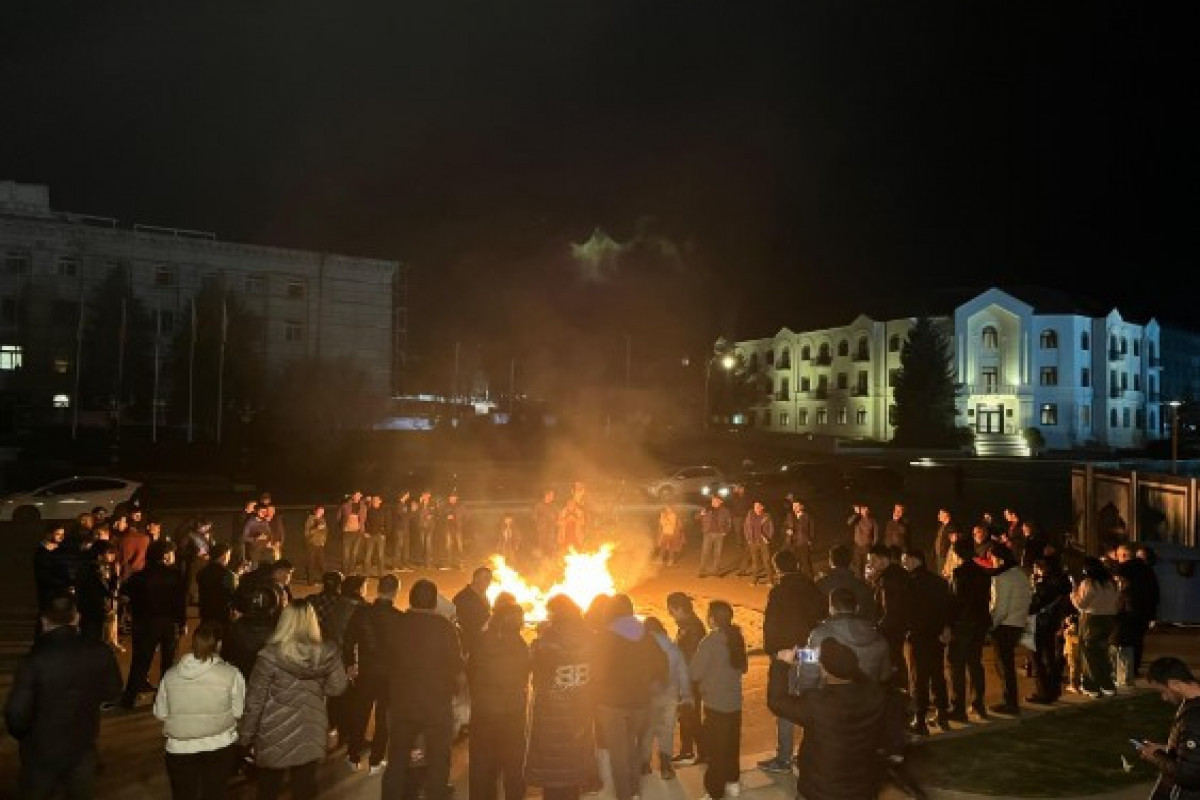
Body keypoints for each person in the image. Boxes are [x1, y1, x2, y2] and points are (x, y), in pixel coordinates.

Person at [4, 596, 123, 799]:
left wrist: (24, 735)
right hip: (82, 742)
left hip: (41, 748)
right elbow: (113, 691)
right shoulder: (99, 651)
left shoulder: (33, 661)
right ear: (76, 618)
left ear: (44, 621)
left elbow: (16, 713)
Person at [240, 600, 349, 800]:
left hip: (274, 730)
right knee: (305, 786)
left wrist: (246, 736)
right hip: (311, 726)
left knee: (268, 787)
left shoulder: (268, 656)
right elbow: (338, 687)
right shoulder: (327, 652)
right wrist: (316, 687)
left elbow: (255, 700)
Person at [767, 638, 888, 800]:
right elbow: (863, 680)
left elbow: (777, 702)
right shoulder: (876, 696)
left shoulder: (816, 703)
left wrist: (781, 664)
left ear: (824, 670)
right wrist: (846, 666)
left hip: (820, 790)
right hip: (863, 788)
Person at [382, 579, 464, 800]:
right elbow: (456, 666)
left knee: (397, 760)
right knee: (438, 761)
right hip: (437, 705)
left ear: (410, 599)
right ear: (434, 603)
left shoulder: (396, 624)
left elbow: (386, 661)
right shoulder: (445, 628)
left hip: (403, 703)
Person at [153, 621, 246, 800]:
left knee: (183, 795)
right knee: (215, 793)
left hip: (179, 748)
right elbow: (238, 711)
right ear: (218, 645)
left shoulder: (170, 675)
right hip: (219, 745)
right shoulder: (231, 674)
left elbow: (160, 713)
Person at [592, 593, 667, 800]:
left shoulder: (605, 636)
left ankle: (625, 796)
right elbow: (661, 665)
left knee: (618, 753)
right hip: (640, 702)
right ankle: (634, 792)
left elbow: (597, 672)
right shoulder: (644, 635)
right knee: (632, 747)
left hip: (612, 704)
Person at [525, 595, 599, 800]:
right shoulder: (592, 639)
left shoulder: (544, 643)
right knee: (575, 766)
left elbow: (530, 669)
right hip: (580, 711)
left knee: (553, 773)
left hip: (551, 714)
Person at [758, 549, 824, 773]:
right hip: (810, 654)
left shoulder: (779, 591)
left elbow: (771, 624)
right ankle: (809, 753)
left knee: (785, 704)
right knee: (811, 700)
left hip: (787, 655)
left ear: (777, 568)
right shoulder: (811, 587)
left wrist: (773, 652)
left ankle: (784, 758)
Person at [467, 601, 531, 800]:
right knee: (513, 765)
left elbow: (471, 671)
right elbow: (524, 675)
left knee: (482, 764)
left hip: (484, 711)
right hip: (513, 713)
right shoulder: (520, 645)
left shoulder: (481, 640)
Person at [343, 573, 404, 774]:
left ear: (379, 589)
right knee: (383, 717)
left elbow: (348, 639)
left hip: (367, 671)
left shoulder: (362, 613)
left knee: (359, 714)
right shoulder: (399, 618)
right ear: (396, 591)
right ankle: (376, 761)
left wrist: (350, 664)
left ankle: (353, 757)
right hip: (390, 674)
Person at [689, 600, 747, 800]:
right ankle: (733, 783)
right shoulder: (736, 637)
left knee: (716, 750)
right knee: (732, 746)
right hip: (734, 703)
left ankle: (715, 791)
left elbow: (695, 673)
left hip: (716, 705)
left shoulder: (709, 642)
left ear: (712, 619)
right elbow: (741, 667)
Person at [122, 539, 188, 708]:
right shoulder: (175, 576)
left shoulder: (139, 576)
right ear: (165, 556)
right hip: (168, 622)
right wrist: (182, 622)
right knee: (168, 662)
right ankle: (164, 697)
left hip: (144, 622)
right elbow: (180, 602)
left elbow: (125, 593)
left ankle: (130, 697)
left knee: (140, 661)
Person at [902, 548, 951, 734]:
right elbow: (947, 607)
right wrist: (946, 626)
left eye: (906, 560)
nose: (904, 564)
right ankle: (942, 713)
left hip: (918, 636)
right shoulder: (939, 582)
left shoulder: (910, 583)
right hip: (936, 635)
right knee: (937, 675)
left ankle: (920, 719)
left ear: (917, 561)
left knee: (918, 678)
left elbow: (908, 610)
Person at [1138, 657, 1200, 799]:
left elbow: (1188, 775)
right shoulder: (1192, 706)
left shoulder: (1195, 718)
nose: (1164, 698)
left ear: (1174, 684)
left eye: (1163, 691)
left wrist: (1155, 756)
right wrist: (1168, 749)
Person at [946, 536, 991, 722]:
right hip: (979, 622)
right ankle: (978, 703)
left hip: (963, 624)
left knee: (956, 665)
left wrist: (950, 623)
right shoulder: (983, 572)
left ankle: (958, 707)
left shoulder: (959, 573)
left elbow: (956, 601)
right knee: (975, 663)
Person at [807, 587, 891, 683]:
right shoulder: (879, 638)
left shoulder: (818, 635)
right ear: (857, 608)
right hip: (869, 695)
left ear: (831, 609)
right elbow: (885, 676)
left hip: (833, 695)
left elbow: (808, 670)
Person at [641, 616, 689, 780]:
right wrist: (686, 696)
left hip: (649, 694)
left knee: (647, 730)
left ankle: (644, 765)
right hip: (671, 693)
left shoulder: (643, 646)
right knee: (667, 730)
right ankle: (666, 766)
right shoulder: (673, 647)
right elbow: (683, 673)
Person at [989, 543, 1032, 715]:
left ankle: (1010, 703)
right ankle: (1011, 701)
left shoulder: (1002, 578)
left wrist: (991, 625)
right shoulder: (1021, 575)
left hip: (1004, 625)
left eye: (992, 558)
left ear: (998, 559)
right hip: (1018, 623)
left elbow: (1000, 608)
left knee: (1003, 665)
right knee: (1008, 665)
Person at [666, 592, 706, 767]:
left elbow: (689, 659)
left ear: (680, 609)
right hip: (686, 680)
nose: (670, 615)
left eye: (672, 611)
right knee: (686, 716)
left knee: (692, 717)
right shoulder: (686, 625)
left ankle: (703, 752)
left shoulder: (694, 628)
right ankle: (687, 751)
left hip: (690, 681)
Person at [1071, 556, 1121, 698]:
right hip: (1110, 619)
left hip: (1092, 620)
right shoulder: (1111, 583)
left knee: (1089, 653)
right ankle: (1107, 684)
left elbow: (1081, 604)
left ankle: (1091, 685)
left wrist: (1073, 594)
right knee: (1102, 653)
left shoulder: (1089, 583)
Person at [866, 544, 912, 691]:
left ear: (883, 559)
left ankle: (897, 697)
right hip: (901, 626)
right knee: (898, 660)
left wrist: (878, 629)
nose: (870, 564)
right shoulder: (900, 573)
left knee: (893, 662)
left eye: (872, 560)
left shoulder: (888, 579)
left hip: (891, 630)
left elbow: (890, 610)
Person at [1027, 557, 1071, 704]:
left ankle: (1043, 692)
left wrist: (1034, 586)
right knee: (1050, 656)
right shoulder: (1062, 582)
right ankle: (1053, 689)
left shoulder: (1045, 585)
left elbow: (1033, 605)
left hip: (1039, 623)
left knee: (1037, 658)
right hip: (1052, 623)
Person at [1114, 542, 1160, 677]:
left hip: (1127, 610)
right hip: (1143, 612)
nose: (1117, 558)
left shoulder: (1123, 569)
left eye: (1118, 555)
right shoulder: (1148, 570)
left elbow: (1118, 590)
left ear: (1124, 555)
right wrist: (1152, 614)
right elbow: (1154, 593)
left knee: (1123, 640)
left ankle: (1125, 671)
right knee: (1137, 641)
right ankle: (1134, 669)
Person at [223, 585, 282, 681]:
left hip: (240, 678)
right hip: (264, 681)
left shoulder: (237, 625)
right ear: (274, 606)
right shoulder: (277, 629)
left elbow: (226, 654)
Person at [76, 539, 123, 646]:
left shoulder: (87, 567)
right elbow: (109, 591)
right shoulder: (95, 571)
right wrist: (116, 576)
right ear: (100, 555)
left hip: (87, 609)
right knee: (95, 640)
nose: (113, 557)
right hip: (95, 610)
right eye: (110, 553)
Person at [815, 543, 874, 618]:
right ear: (850, 561)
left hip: (827, 628)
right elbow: (870, 616)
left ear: (831, 561)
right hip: (857, 628)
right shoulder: (863, 587)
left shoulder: (819, 586)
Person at [197, 543, 237, 630]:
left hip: (206, 614)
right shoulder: (227, 574)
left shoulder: (202, 573)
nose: (229, 559)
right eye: (229, 555)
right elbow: (233, 596)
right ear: (224, 555)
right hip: (223, 616)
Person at [741, 500, 776, 586]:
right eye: (754, 506)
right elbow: (746, 527)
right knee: (755, 562)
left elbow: (771, 528)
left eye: (758, 506)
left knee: (766, 561)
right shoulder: (750, 515)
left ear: (762, 507)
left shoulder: (767, 516)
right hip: (753, 542)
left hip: (764, 542)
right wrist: (748, 539)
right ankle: (754, 579)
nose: (755, 508)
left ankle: (770, 580)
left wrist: (768, 538)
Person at [697, 495, 733, 578]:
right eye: (713, 501)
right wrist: (701, 514)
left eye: (716, 501)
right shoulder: (707, 509)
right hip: (708, 534)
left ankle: (716, 571)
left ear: (721, 502)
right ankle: (702, 571)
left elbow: (729, 522)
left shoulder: (725, 511)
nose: (714, 502)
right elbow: (697, 517)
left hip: (719, 534)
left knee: (718, 553)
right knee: (705, 552)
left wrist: (726, 531)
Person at [781, 500, 815, 577]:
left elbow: (812, 530)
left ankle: (809, 580)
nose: (795, 508)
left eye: (797, 506)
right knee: (794, 563)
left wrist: (810, 540)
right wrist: (787, 530)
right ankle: (797, 579)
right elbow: (783, 527)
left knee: (805, 563)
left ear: (802, 507)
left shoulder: (807, 516)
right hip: (792, 543)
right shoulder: (789, 516)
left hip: (803, 543)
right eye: (793, 506)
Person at [309, 570, 345, 640]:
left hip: (313, 637)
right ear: (339, 585)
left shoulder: (311, 599)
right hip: (333, 640)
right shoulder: (343, 603)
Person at [339, 491, 368, 574]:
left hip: (357, 532)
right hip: (347, 532)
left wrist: (362, 528)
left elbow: (364, 519)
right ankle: (344, 571)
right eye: (357, 495)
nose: (359, 496)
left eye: (360, 495)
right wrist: (343, 527)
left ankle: (351, 571)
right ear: (353, 496)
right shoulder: (345, 505)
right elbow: (339, 517)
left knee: (354, 553)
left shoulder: (363, 506)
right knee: (345, 553)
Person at [846, 503, 879, 577]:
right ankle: (858, 581)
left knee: (865, 566)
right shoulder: (857, 519)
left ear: (868, 510)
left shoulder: (872, 521)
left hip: (866, 546)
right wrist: (856, 514)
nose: (862, 510)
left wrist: (872, 546)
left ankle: (865, 581)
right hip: (857, 546)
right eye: (861, 508)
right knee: (857, 566)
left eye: (864, 508)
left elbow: (875, 536)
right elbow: (849, 522)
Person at [364, 495, 391, 578]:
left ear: (380, 501)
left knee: (381, 555)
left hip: (380, 535)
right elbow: (365, 522)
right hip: (370, 535)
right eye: (373, 500)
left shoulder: (383, 511)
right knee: (368, 555)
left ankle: (381, 573)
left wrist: (384, 533)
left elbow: (388, 523)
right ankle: (366, 573)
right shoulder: (369, 511)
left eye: (376, 500)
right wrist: (366, 532)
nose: (375, 501)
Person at [303, 505, 328, 585]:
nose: (322, 512)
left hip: (320, 544)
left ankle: (326, 581)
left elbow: (326, 531)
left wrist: (324, 540)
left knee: (322, 563)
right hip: (312, 544)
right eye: (320, 510)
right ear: (316, 511)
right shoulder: (310, 519)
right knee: (311, 563)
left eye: (323, 511)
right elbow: (307, 533)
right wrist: (317, 528)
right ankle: (310, 581)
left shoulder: (323, 520)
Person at [441, 491, 467, 570]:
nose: (451, 499)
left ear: (456, 498)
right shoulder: (446, 506)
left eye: (452, 497)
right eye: (450, 498)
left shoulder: (461, 506)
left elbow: (467, 516)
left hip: (458, 529)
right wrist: (446, 517)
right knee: (448, 546)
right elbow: (441, 515)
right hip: (448, 529)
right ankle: (448, 564)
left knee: (459, 547)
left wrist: (460, 522)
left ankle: (461, 564)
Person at [532, 489, 558, 559]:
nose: (553, 497)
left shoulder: (554, 506)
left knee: (551, 545)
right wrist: (541, 522)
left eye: (553, 496)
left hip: (551, 530)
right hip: (542, 530)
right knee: (542, 546)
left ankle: (551, 561)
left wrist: (555, 520)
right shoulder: (539, 505)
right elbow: (534, 517)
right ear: (546, 496)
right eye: (551, 495)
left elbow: (557, 516)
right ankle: (542, 562)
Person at [933, 507, 958, 574]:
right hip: (940, 555)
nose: (938, 516)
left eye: (940, 514)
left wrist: (950, 558)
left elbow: (954, 543)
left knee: (945, 576)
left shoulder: (952, 527)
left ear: (946, 514)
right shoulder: (942, 526)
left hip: (946, 557)